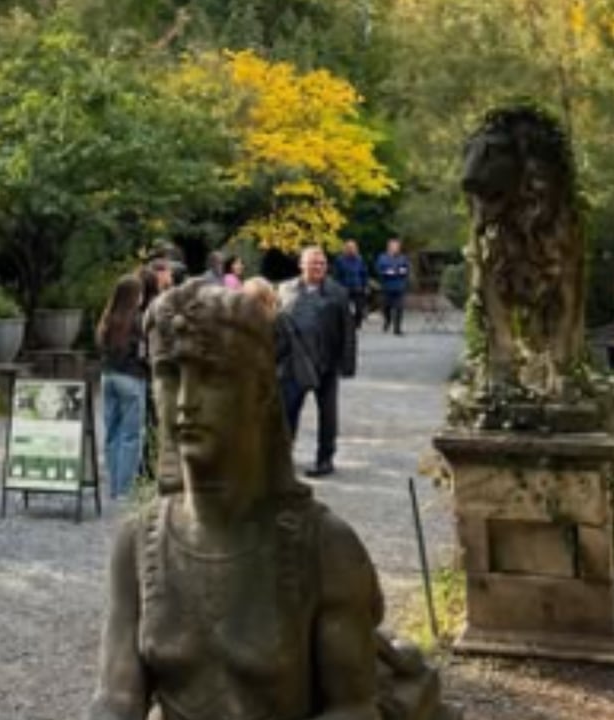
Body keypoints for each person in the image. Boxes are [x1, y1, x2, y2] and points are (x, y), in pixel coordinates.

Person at [85, 281, 455, 720]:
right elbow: (116, 699)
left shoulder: (324, 548)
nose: (185, 402)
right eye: (169, 374)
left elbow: (352, 709)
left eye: (212, 376)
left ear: (260, 391)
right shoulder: (137, 544)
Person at [277, 247, 356, 477]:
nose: (318, 267)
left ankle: (325, 459)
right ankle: (283, 456)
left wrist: (347, 363)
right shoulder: (285, 290)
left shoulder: (338, 293)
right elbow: (276, 327)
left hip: (326, 363)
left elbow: (348, 330)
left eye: (322, 263)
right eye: (313, 263)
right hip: (293, 364)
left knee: (328, 415)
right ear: (301, 265)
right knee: (288, 413)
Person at [96, 275, 147, 500]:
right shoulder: (138, 320)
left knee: (112, 432)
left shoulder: (107, 319)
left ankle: (114, 485)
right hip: (131, 378)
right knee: (131, 436)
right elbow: (145, 353)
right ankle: (124, 490)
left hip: (108, 377)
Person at [376, 238, 410, 335]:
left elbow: (406, 269)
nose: (396, 248)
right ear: (389, 247)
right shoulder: (382, 258)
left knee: (399, 307)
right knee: (386, 307)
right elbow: (379, 270)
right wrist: (386, 272)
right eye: (394, 246)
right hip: (387, 286)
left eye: (397, 247)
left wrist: (403, 271)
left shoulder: (403, 258)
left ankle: (397, 328)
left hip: (399, 286)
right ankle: (387, 320)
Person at [333, 240, 369, 330]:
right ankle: (345, 324)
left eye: (353, 248)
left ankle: (357, 322)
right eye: (349, 248)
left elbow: (364, 273)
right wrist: (338, 287)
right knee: (344, 308)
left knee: (359, 308)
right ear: (345, 249)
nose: (351, 250)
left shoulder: (360, 259)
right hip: (344, 287)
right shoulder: (340, 260)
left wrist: (365, 285)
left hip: (357, 287)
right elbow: (337, 275)